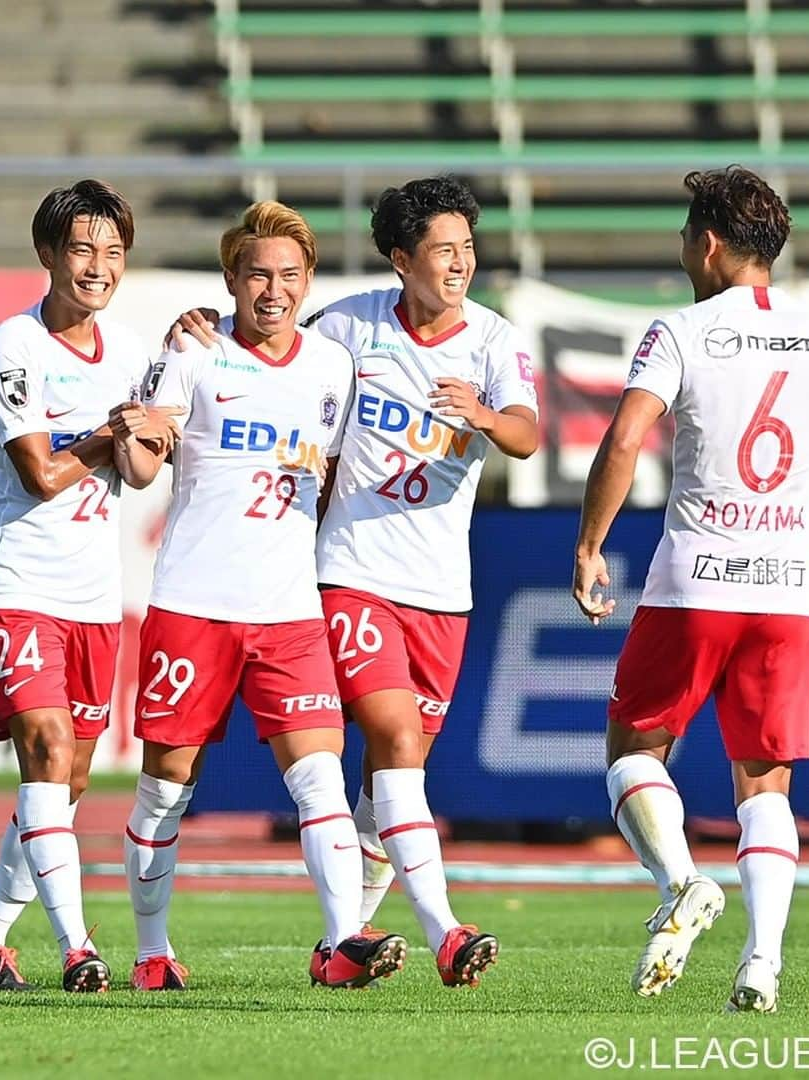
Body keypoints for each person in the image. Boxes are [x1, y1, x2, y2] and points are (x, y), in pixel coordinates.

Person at [170, 176, 539, 987]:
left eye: (468, 248)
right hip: (351, 578)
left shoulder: (493, 341)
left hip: (443, 590)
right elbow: (265, 339)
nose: (461, 264)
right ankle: (445, 931)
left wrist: (484, 416)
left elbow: (525, 435)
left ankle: (345, 943)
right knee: (398, 743)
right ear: (401, 258)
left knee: (387, 785)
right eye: (444, 250)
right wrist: (193, 330)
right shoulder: (351, 326)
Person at [116, 200, 408, 992]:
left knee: (319, 777)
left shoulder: (331, 366)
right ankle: (150, 949)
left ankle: (342, 939)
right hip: (193, 604)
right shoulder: (193, 351)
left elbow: (334, 475)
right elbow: (145, 463)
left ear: (307, 280)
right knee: (165, 793)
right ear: (232, 281)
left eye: (288, 275)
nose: (272, 291)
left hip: (289, 612)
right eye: (256, 275)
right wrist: (136, 439)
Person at [572, 166, 809, 1014]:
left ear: (708, 244)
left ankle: (683, 882)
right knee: (765, 785)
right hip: (790, 584)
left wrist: (590, 545)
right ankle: (762, 965)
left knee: (633, 750)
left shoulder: (680, 328)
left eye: (687, 235)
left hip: (696, 578)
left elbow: (623, 438)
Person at [0, 179, 180, 993]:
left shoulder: (127, 350)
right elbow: (43, 473)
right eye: (83, 249)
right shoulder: (9, 345)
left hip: (93, 593)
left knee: (68, 780)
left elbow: (145, 471)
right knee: (45, 752)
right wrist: (109, 430)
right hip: (19, 582)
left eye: (113, 252)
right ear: (48, 254)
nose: (98, 266)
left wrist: (151, 432)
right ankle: (79, 947)